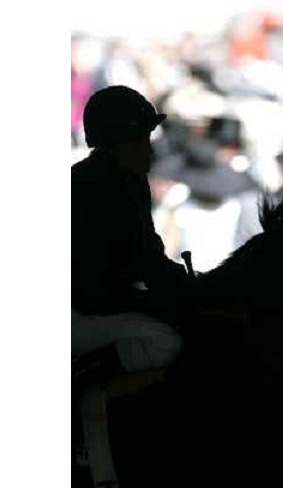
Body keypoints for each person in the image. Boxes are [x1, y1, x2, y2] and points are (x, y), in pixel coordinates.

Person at [72, 85, 189, 385]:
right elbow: (97, 289)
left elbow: (148, 254)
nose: (149, 149)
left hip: (99, 305)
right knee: (165, 341)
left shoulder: (131, 181)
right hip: (76, 312)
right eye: (140, 140)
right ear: (115, 144)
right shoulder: (86, 188)